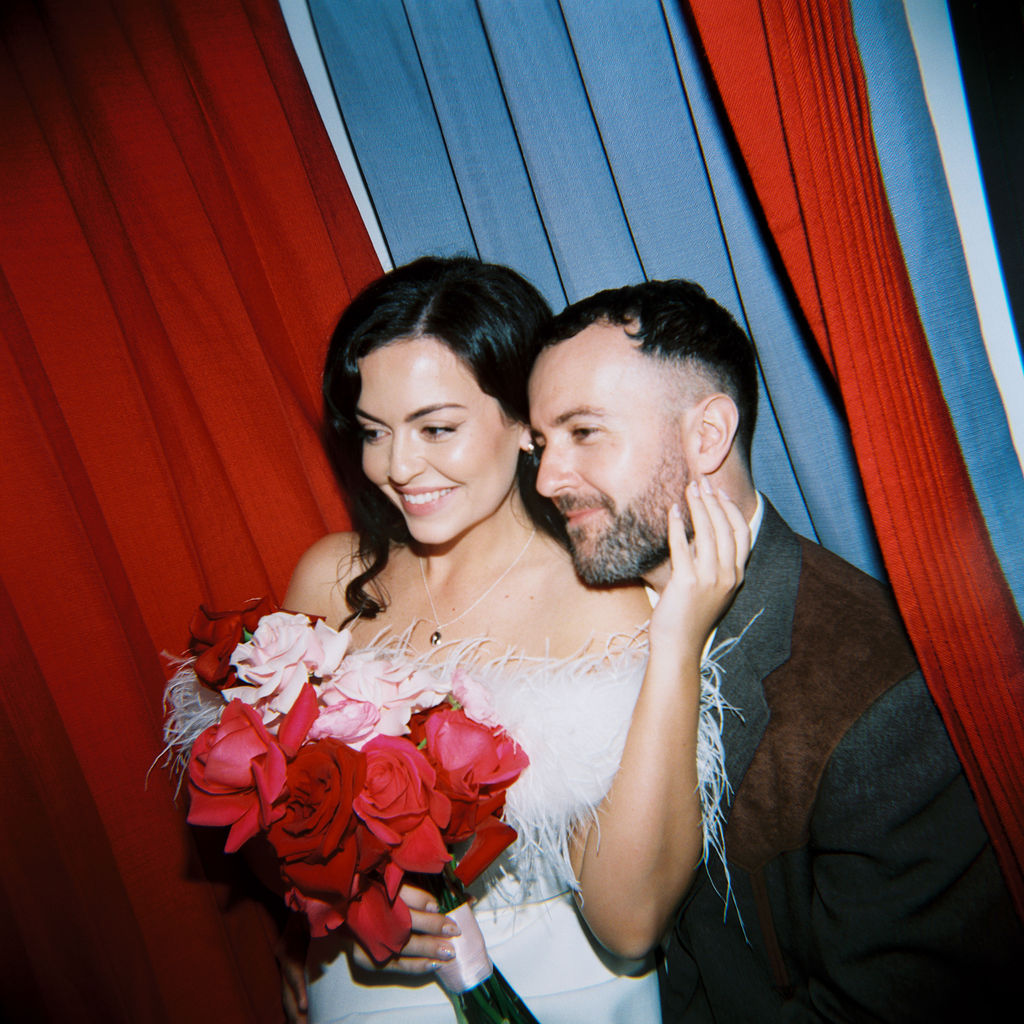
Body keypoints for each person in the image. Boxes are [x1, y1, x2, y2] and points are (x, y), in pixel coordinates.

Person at [527, 277, 1024, 1021]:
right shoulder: (576, 615)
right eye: (540, 444)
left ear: (707, 434)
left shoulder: (881, 695)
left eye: (583, 432)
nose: (546, 479)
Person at [277, 257, 747, 1024]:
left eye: (437, 427)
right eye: (373, 431)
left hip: (557, 994)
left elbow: (630, 927)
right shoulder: (331, 578)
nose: (397, 467)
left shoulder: (605, 599)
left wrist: (674, 642)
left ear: (525, 424)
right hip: (360, 994)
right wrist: (337, 908)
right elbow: (281, 823)